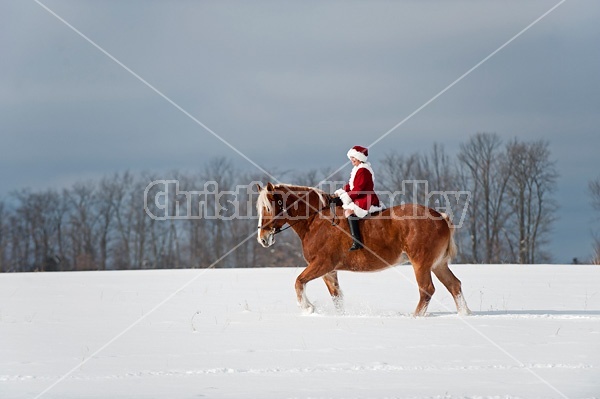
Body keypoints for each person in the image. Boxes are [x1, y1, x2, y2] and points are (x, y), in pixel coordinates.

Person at [334, 145, 383, 251]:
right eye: (351, 158)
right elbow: (351, 185)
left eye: (353, 158)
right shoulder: (357, 169)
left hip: (365, 197)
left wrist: (345, 198)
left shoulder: (363, 170)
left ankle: (357, 241)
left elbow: (358, 188)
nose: (351, 160)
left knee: (349, 212)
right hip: (359, 196)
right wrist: (340, 192)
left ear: (359, 158)